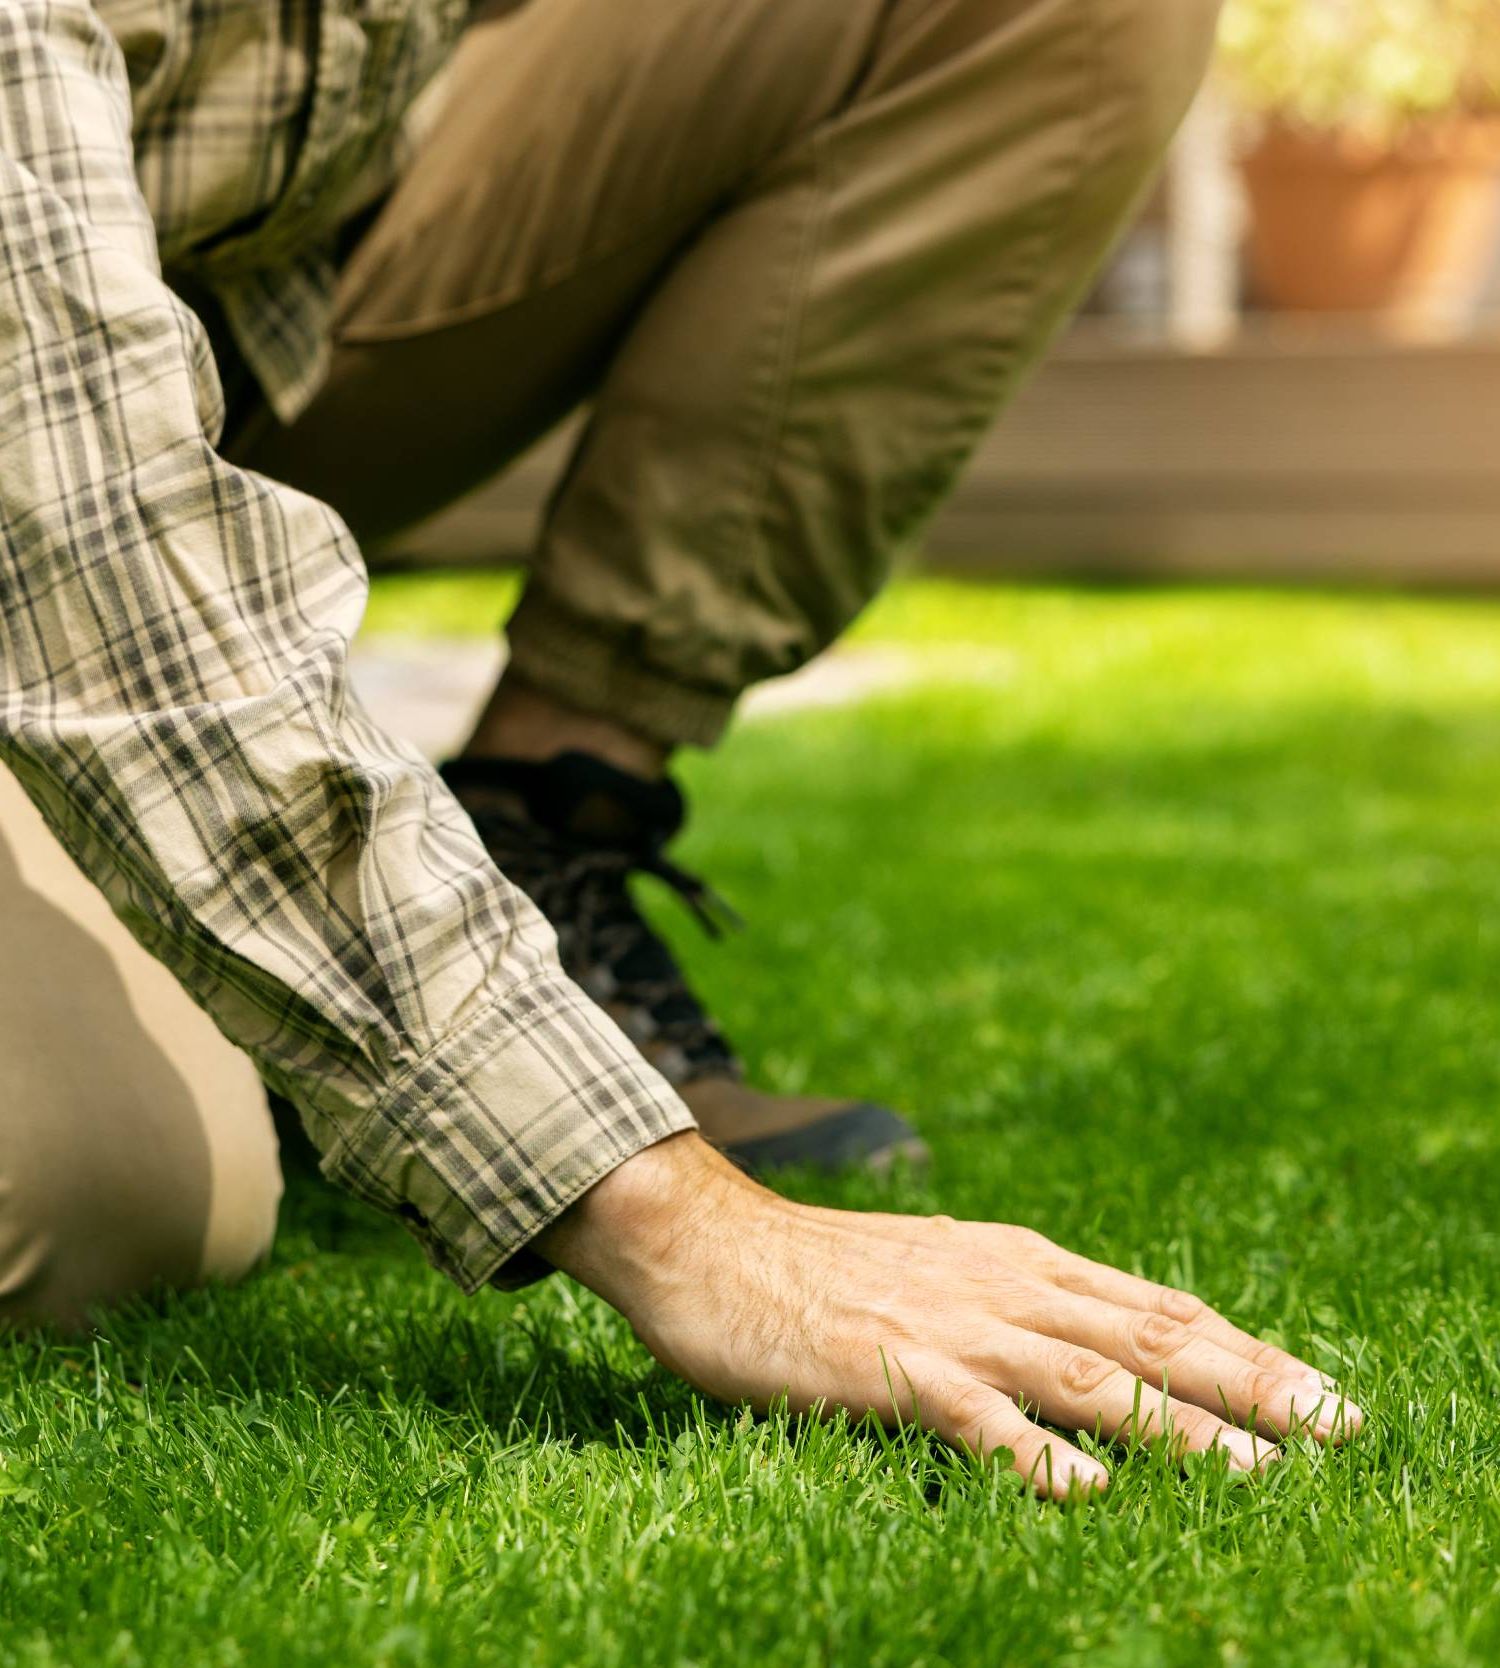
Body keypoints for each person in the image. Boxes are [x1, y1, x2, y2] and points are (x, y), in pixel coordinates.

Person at [0, 0, 1361, 1498]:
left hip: (251, 288)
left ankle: (537, 835)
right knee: (117, 1195)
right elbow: (83, 537)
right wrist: (666, 1211)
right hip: (57, 424)